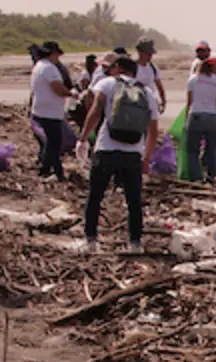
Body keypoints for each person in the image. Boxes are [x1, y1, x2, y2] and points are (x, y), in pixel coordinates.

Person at [77, 56, 160, 253]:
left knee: (95, 196)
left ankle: (90, 241)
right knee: (133, 201)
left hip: (106, 148)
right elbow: (153, 130)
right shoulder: (146, 92)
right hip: (133, 153)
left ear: (118, 69)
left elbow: (95, 111)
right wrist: (146, 157)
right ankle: (135, 244)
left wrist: (82, 139)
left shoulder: (107, 84)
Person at [30, 41, 74, 182]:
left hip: (41, 109)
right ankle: (57, 172)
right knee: (55, 144)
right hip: (50, 112)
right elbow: (57, 88)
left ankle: (45, 169)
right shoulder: (50, 68)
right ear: (53, 54)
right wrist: (71, 94)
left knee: (49, 143)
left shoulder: (39, 66)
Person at [185, 57, 216, 182]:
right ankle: (210, 176)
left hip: (196, 115)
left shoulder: (193, 79)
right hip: (212, 117)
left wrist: (185, 119)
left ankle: (196, 177)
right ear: (213, 68)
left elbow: (189, 102)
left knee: (193, 150)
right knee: (212, 149)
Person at [134, 37, 165, 112]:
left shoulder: (153, 67)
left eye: (151, 53)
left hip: (151, 105)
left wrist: (163, 102)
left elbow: (159, 86)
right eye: (147, 53)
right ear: (139, 51)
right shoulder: (132, 67)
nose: (150, 56)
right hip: (136, 106)